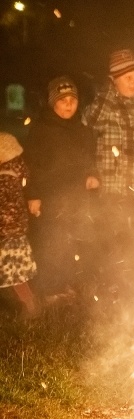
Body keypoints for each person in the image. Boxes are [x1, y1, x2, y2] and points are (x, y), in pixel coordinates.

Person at [24, 76, 99, 305]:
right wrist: (33, 196)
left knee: (70, 241)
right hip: (51, 196)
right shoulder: (41, 131)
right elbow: (32, 165)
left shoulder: (81, 130)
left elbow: (89, 160)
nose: (69, 104)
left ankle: (66, 283)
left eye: (72, 100)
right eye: (63, 99)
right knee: (52, 243)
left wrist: (92, 176)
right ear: (52, 102)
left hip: (76, 197)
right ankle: (49, 288)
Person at [82, 48, 134, 199]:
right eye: (128, 78)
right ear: (114, 80)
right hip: (114, 190)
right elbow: (92, 120)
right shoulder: (107, 103)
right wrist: (109, 88)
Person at [0, 132, 39, 320]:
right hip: (14, 233)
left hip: (7, 234)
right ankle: (28, 306)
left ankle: (28, 307)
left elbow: (6, 207)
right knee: (16, 276)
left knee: (13, 275)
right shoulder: (17, 172)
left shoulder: (5, 176)